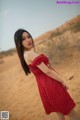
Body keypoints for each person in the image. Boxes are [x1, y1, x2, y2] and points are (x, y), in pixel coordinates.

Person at [14, 28, 80, 120]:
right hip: (51, 85)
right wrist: (63, 80)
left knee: (60, 115)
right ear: (19, 43)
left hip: (44, 86)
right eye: (23, 39)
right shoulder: (30, 54)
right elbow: (47, 71)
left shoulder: (25, 55)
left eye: (28, 36)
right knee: (71, 113)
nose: (28, 40)